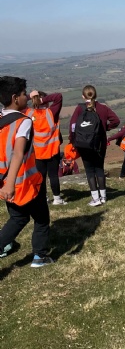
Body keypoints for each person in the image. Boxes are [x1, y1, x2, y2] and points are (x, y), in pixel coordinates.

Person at [0, 76, 53, 267]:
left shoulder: (1, 119)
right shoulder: (23, 122)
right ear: (15, 98)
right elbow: (18, 153)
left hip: (4, 180)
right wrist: (11, 184)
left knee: (18, 218)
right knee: (41, 218)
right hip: (25, 181)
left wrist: (6, 183)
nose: (27, 97)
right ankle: (40, 256)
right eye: (24, 94)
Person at [69, 85, 120, 206]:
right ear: (96, 95)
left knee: (89, 170)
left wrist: (73, 141)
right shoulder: (103, 108)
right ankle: (103, 197)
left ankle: (95, 199)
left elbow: (72, 126)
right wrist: (105, 128)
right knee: (99, 169)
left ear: (83, 96)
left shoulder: (79, 108)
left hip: (84, 144)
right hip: (100, 144)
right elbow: (116, 121)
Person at [25, 90, 66, 205]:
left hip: (37, 152)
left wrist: (30, 96)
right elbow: (58, 96)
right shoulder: (51, 112)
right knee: (53, 175)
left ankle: (43, 198)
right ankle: (57, 199)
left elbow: (18, 105)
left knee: (41, 176)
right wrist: (42, 100)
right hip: (52, 151)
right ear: (46, 102)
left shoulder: (29, 113)